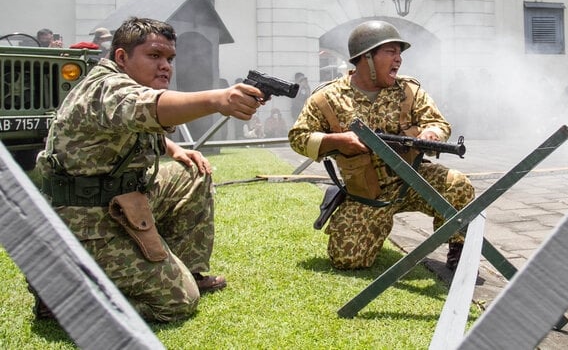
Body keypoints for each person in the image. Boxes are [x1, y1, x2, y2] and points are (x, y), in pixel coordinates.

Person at [33, 17, 267, 321]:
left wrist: (175, 149)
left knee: (192, 172)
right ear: (121, 57)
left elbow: (135, 126)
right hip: (85, 222)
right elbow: (146, 106)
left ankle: (188, 268)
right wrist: (218, 99)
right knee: (177, 302)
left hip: (120, 201)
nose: (165, 66)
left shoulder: (126, 83)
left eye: (169, 58)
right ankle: (63, 296)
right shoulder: (107, 86)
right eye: (154, 56)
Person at [288, 20, 474, 270]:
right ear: (367, 57)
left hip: (413, 179)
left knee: (458, 184)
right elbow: (298, 136)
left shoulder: (408, 90)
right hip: (366, 192)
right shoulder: (327, 98)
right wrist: (338, 141)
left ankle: (459, 248)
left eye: (400, 53)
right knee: (347, 260)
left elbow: (438, 122)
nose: (398, 59)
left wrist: (432, 133)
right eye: (391, 52)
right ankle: (373, 221)